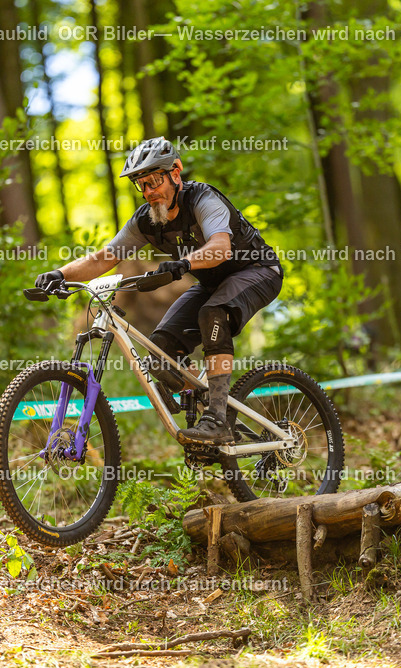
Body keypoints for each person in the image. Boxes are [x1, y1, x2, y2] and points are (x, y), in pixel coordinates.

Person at [35, 137, 282, 445]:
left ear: (175, 173)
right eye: (143, 185)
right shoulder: (147, 221)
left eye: (154, 181)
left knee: (212, 313)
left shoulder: (203, 199)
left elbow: (220, 248)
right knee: (160, 351)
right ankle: (206, 401)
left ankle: (217, 419)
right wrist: (60, 273)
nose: (150, 192)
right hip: (212, 284)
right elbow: (104, 258)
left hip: (258, 270)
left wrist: (180, 265)